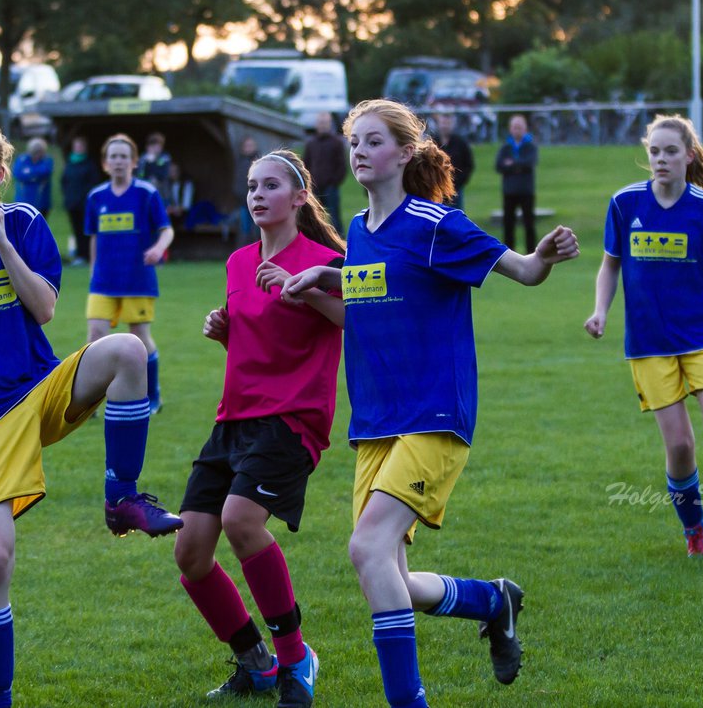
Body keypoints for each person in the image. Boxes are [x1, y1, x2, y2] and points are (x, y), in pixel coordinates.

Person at [282, 99, 579, 708]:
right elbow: (367, 299)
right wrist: (321, 283)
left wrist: (544, 255)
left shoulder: (436, 223)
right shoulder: (361, 231)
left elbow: (521, 270)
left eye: (372, 142)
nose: (359, 152)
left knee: (366, 550)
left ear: (406, 153)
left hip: (434, 414)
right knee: (382, 572)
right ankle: (491, 601)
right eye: (354, 143)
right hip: (374, 421)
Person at [0, 119, 181, 708]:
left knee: (128, 350)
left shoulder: (23, 223)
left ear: (1, 172)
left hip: (41, 389)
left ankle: (121, 496)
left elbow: (46, 308)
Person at [174, 149, 345, 707]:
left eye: (270, 186)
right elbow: (261, 339)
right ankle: (255, 663)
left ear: (299, 198)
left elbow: (362, 319)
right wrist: (224, 330)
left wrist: (305, 286)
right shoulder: (238, 262)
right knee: (191, 554)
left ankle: (298, 659)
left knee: (241, 521)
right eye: (251, 186)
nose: (257, 195)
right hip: (233, 419)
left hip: (291, 419)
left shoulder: (327, 259)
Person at [584, 115, 703, 564]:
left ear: (689, 156)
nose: (660, 159)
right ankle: (695, 531)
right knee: (680, 446)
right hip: (648, 344)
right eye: (654, 151)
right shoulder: (624, 203)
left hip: (702, 337)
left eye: (670, 151)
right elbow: (610, 264)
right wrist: (600, 311)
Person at [85, 134, 173, 415]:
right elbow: (95, 237)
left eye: (124, 156)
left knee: (140, 338)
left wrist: (159, 248)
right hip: (103, 280)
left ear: (134, 162)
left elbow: (166, 229)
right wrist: (92, 269)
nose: (119, 161)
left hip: (138, 279)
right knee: (95, 337)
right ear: (105, 163)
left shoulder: (147, 193)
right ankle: (92, 400)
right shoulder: (96, 196)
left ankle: (153, 395)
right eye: (114, 156)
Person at [495, 114, 538, 253]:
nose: (517, 130)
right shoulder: (506, 147)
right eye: (514, 127)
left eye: (519, 127)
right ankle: (509, 253)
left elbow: (530, 163)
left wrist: (512, 164)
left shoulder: (530, 146)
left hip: (526, 191)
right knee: (508, 224)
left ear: (525, 128)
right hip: (509, 191)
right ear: (510, 129)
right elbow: (499, 166)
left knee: (529, 224)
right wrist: (518, 166)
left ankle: (531, 253)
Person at [60, 136, 100, 265]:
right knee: (76, 230)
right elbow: (64, 182)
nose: (78, 148)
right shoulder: (69, 163)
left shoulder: (90, 164)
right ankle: (80, 254)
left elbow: (94, 183)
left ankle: (88, 255)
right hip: (72, 203)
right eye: (76, 146)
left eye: (80, 146)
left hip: (85, 203)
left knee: (86, 230)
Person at [302, 112, 347, 229]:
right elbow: (305, 164)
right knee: (314, 217)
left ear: (329, 124)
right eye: (320, 123)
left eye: (325, 123)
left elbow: (341, 165)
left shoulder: (336, 142)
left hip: (330, 187)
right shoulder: (311, 143)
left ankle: (338, 243)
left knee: (334, 217)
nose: (322, 126)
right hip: (315, 187)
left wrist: (334, 181)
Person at [433, 111, 475, 211]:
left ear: (452, 125)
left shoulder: (460, 143)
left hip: (456, 189)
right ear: (438, 124)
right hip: (436, 188)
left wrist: (460, 181)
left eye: (447, 123)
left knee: (456, 216)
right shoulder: (433, 142)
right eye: (443, 123)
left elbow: (469, 164)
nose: (445, 126)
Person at [13, 138, 53, 218]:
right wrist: (34, 177)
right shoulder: (22, 159)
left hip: (41, 202)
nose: (36, 156)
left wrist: (29, 173)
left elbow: (44, 172)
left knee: (39, 227)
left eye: (39, 153)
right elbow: (18, 174)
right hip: (23, 201)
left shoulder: (47, 160)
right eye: (35, 153)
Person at [234, 136, 259, 245]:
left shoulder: (259, 162)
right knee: (245, 229)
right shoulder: (240, 162)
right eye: (247, 146)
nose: (249, 148)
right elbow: (237, 183)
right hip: (243, 202)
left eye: (251, 146)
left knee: (258, 228)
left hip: (258, 202)